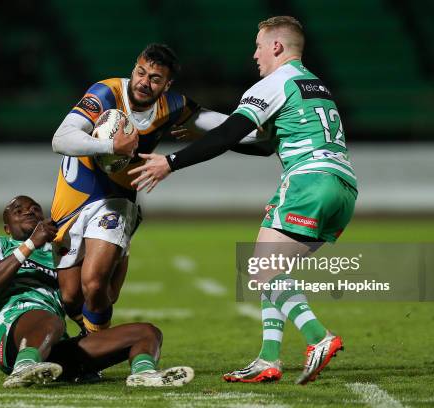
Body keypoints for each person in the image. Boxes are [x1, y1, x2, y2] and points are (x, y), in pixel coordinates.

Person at [128, 17, 358, 385]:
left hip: (308, 181)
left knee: (262, 269)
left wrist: (170, 162)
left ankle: (319, 337)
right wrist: (214, 133)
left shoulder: (274, 82)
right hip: (342, 186)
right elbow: (266, 146)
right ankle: (268, 358)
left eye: (259, 45)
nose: (254, 55)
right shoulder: (313, 84)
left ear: (277, 48)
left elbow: (231, 132)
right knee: (270, 270)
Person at [50, 43, 257, 334]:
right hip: (74, 195)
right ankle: (92, 330)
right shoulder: (106, 92)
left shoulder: (174, 106)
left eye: (155, 78)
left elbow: (230, 128)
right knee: (71, 296)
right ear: (134, 68)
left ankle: (96, 355)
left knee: (95, 284)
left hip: (117, 200)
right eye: (140, 73)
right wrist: (110, 145)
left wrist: (266, 129)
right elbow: (60, 139)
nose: (144, 82)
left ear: (167, 84)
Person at [0, 195, 194, 388]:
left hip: (53, 346)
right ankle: (24, 367)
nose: (28, 211)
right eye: (18, 210)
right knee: (50, 320)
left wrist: (123, 242)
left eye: (34, 208)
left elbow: (106, 294)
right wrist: (30, 244)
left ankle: (144, 375)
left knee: (147, 332)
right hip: (10, 336)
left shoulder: (63, 249)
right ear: (7, 227)